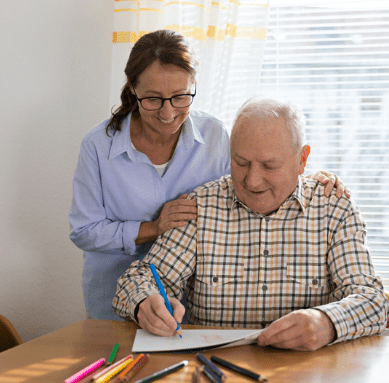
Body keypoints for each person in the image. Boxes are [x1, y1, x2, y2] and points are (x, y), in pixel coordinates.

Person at [69, 29, 349, 321]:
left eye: (180, 97)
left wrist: (303, 177)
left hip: (188, 306)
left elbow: (245, 188)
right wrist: (154, 227)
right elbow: (84, 231)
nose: (167, 113)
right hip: (116, 302)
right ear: (133, 90)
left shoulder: (214, 134)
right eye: (153, 99)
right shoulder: (99, 145)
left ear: (194, 87)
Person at [112, 97, 389, 351]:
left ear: (302, 159)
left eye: (269, 166)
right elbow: (137, 280)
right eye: (241, 163)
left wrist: (327, 323)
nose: (252, 180)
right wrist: (144, 304)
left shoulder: (334, 209)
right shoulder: (202, 206)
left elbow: (373, 301)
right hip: (214, 369)